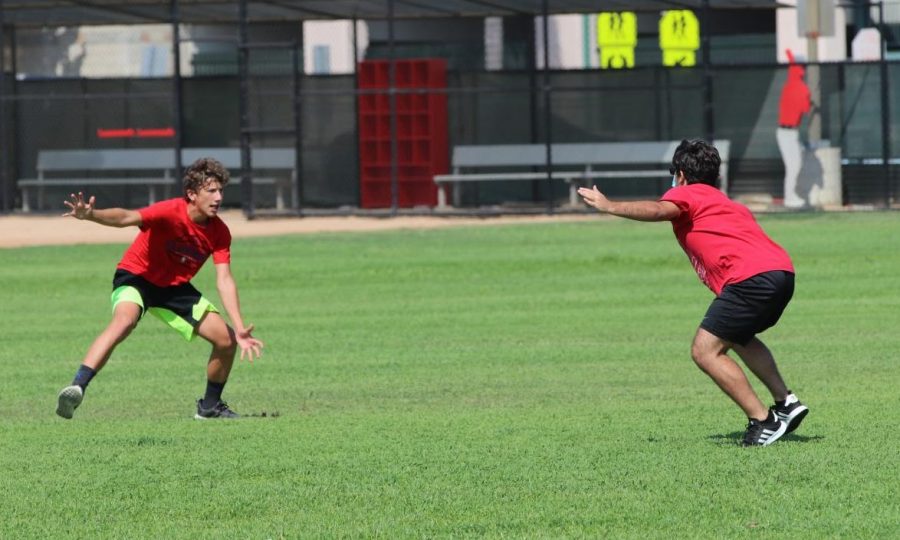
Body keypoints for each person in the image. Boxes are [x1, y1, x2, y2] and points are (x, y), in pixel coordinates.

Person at [577, 139, 808, 447]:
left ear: (681, 175)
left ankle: (763, 421)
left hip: (749, 279)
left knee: (705, 350)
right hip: (781, 274)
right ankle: (786, 403)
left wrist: (611, 206)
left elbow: (659, 210)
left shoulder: (686, 193)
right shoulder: (727, 202)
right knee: (738, 336)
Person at [56, 157, 263, 420]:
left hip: (173, 288)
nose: (218, 197)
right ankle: (77, 388)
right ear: (192, 194)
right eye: (211, 190)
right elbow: (127, 217)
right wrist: (91, 215)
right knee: (124, 322)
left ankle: (210, 407)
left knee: (226, 341)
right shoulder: (170, 211)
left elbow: (225, 279)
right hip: (136, 277)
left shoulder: (219, 232)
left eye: (221, 190)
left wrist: (240, 326)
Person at [777, 49, 811, 209]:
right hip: (786, 132)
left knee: (795, 164)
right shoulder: (798, 86)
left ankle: (791, 195)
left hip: (791, 131)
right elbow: (805, 108)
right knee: (794, 165)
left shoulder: (794, 85)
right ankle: (790, 197)